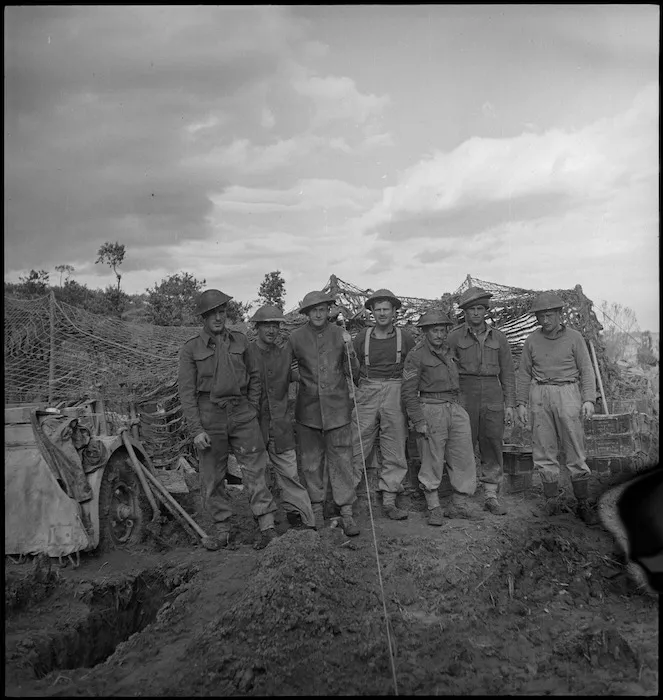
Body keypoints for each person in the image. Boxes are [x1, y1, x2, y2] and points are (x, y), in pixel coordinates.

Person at [178, 289, 279, 550]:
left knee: (256, 468)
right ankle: (222, 531)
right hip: (210, 416)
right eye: (212, 313)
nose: (218, 318)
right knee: (211, 476)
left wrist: (252, 409)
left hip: (242, 412)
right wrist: (196, 429)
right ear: (204, 317)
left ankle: (267, 527)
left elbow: (255, 377)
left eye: (222, 312)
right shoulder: (191, 349)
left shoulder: (241, 342)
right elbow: (187, 393)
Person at [516, 291, 597, 524]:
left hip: (568, 392)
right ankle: (551, 500)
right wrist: (521, 403)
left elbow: (586, 369)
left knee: (574, 447)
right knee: (543, 447)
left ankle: (582, 502)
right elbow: (523, 373)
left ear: (559, 314)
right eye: (541, 316)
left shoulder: (574, 338)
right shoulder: (532, 340)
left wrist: (589, 399)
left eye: (549, 315)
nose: (545, 320)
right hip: (539, 393)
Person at [289, 290, 361, 536]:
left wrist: (350, 349)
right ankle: (317, 508)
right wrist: (303, 380)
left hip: (338, 409)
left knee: (342, 460)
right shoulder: (296, 338)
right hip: (307, 411)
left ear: (328, 311)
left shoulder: (340, 335)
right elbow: (283, 370)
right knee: (310, 462)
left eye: (322, 309)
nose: (318, 314)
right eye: (314, 310)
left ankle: (346, 511)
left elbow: (356, 373)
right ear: (307, 313)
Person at [401, 309, 480, 526]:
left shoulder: (449, 351)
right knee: (432, 458)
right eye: (433, 330)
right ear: (425, 332)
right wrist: (418, 420)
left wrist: (460, 408)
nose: (438, 334)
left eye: (442, 330)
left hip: (454, 406)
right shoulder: (416, 355)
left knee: (463, 455)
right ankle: (434, 506)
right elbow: (408, 392)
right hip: (431, 407)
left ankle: (460, 503)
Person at [447, 287, 516, 515]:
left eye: (480, 309)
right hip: (465, 393)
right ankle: (461, 494)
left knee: (491, 442)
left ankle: (490, 493)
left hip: (492, 392)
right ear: (464, 312)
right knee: (462, 444)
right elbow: (447, 369)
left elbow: (508, 373)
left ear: (486, 311)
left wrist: (510, 404)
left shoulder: (499, 338)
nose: (476, 313)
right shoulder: (455, 337)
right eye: (471, 309)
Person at [247, 304, 316, 530]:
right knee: (257, 477)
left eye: (275, 325)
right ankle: (266, 526)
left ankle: (304, 520)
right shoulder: (246, 355)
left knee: (289, 473)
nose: (271, 330)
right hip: (253, 426)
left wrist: (308, 379)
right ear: (257, 327)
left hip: (281, 426)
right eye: (266, 325)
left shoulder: (284, 353)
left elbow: (293, 373)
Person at [351, 289, 416, 520]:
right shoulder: (362, 338)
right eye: (377, 309)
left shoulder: (405, 337)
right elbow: (354, 369)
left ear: (394, 311)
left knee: (395, 445)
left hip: (395, 390)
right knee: (356, 443)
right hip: (367, 389)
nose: (381, 313)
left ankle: (389, 499)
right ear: (371, 312)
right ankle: (347, 502)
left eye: (385, 309)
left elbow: (412, 368)